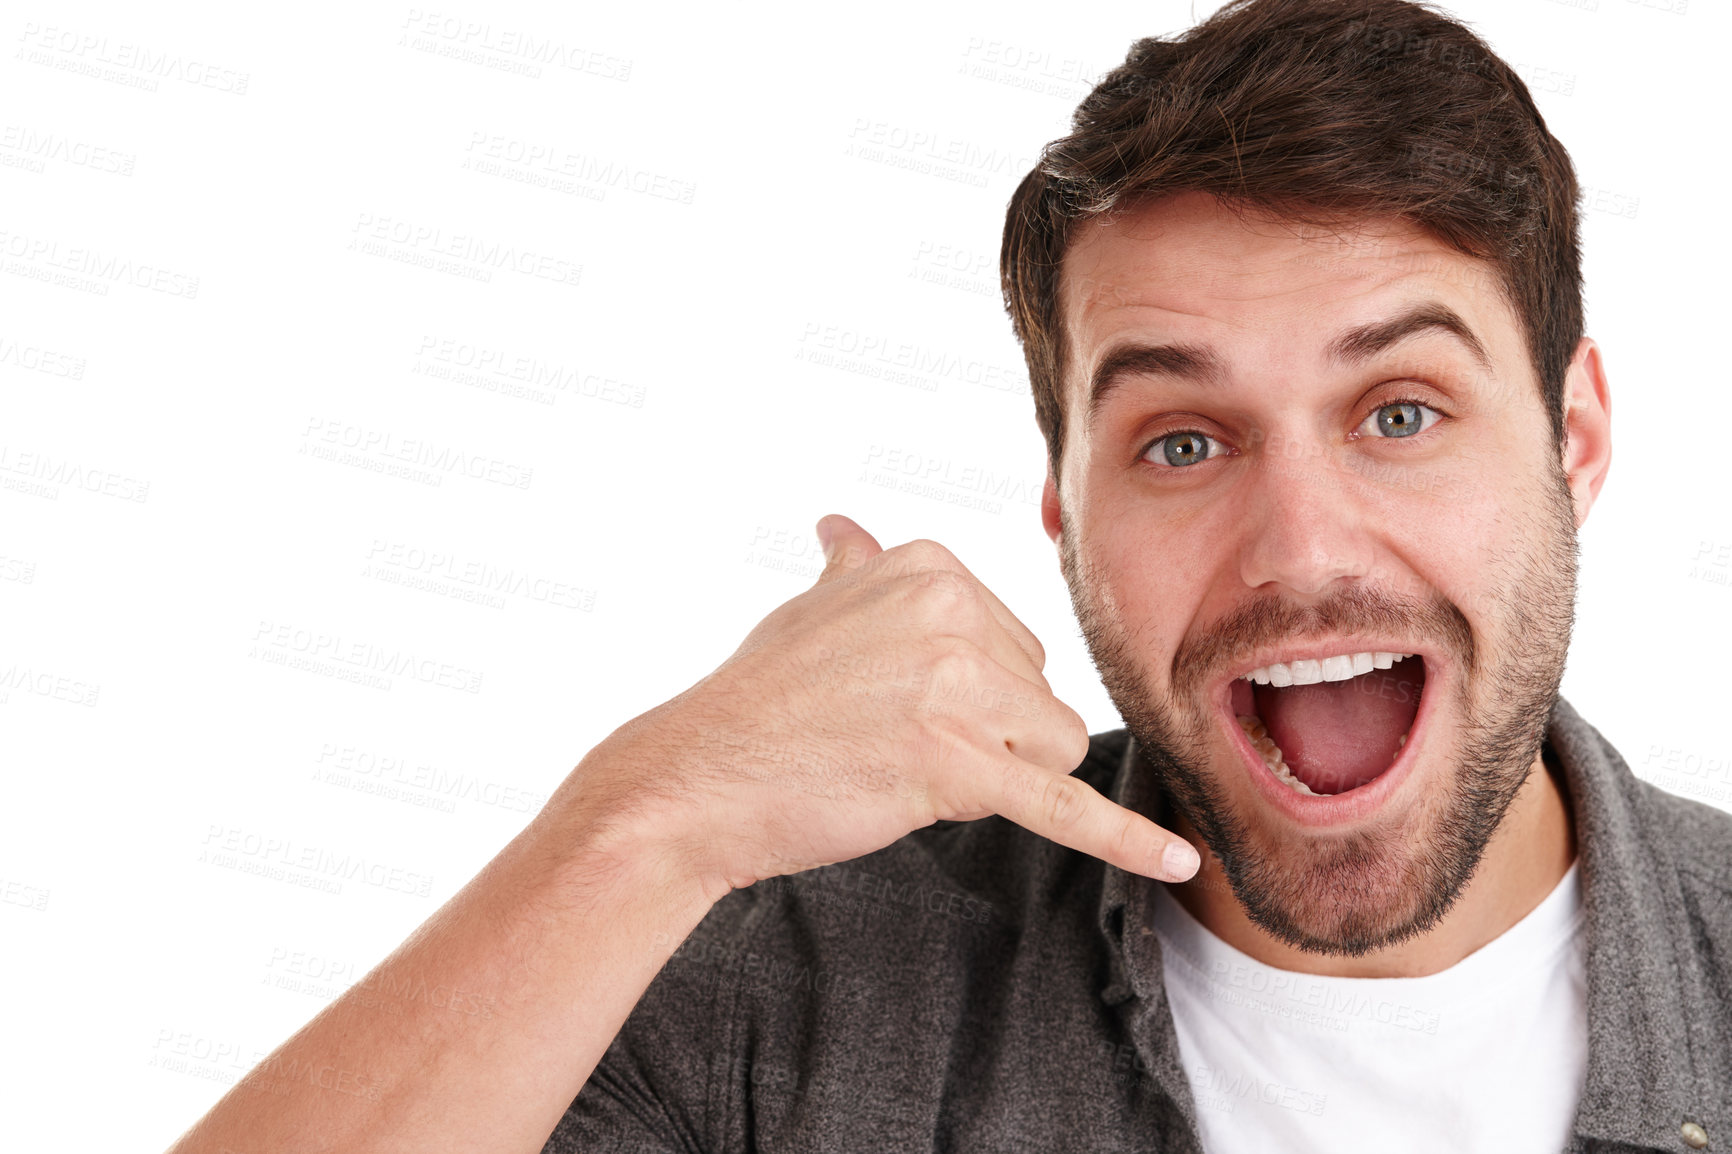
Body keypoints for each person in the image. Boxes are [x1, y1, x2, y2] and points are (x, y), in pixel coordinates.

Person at [165, 0, 1732, 1151]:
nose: (1302, 547)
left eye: (1400, 412)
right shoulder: (794, 999)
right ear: (1061, 509)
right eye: (1182, 442)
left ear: (1575, 438)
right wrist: (646, 818)